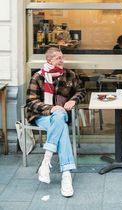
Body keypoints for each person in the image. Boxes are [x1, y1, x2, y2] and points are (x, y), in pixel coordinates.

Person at [26, 47, 86, 197]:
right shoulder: (38, 76)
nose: (62, 60)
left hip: (61, 115)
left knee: (59, 118)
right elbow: (31, 102)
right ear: (49, 60)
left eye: (62, 57)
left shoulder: (69, 74)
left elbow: (82, 91)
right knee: (61, 125)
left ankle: (46, 162)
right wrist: (52, 108)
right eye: (58, 58)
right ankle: (66, 174)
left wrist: (73, 100)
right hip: (42, 116)